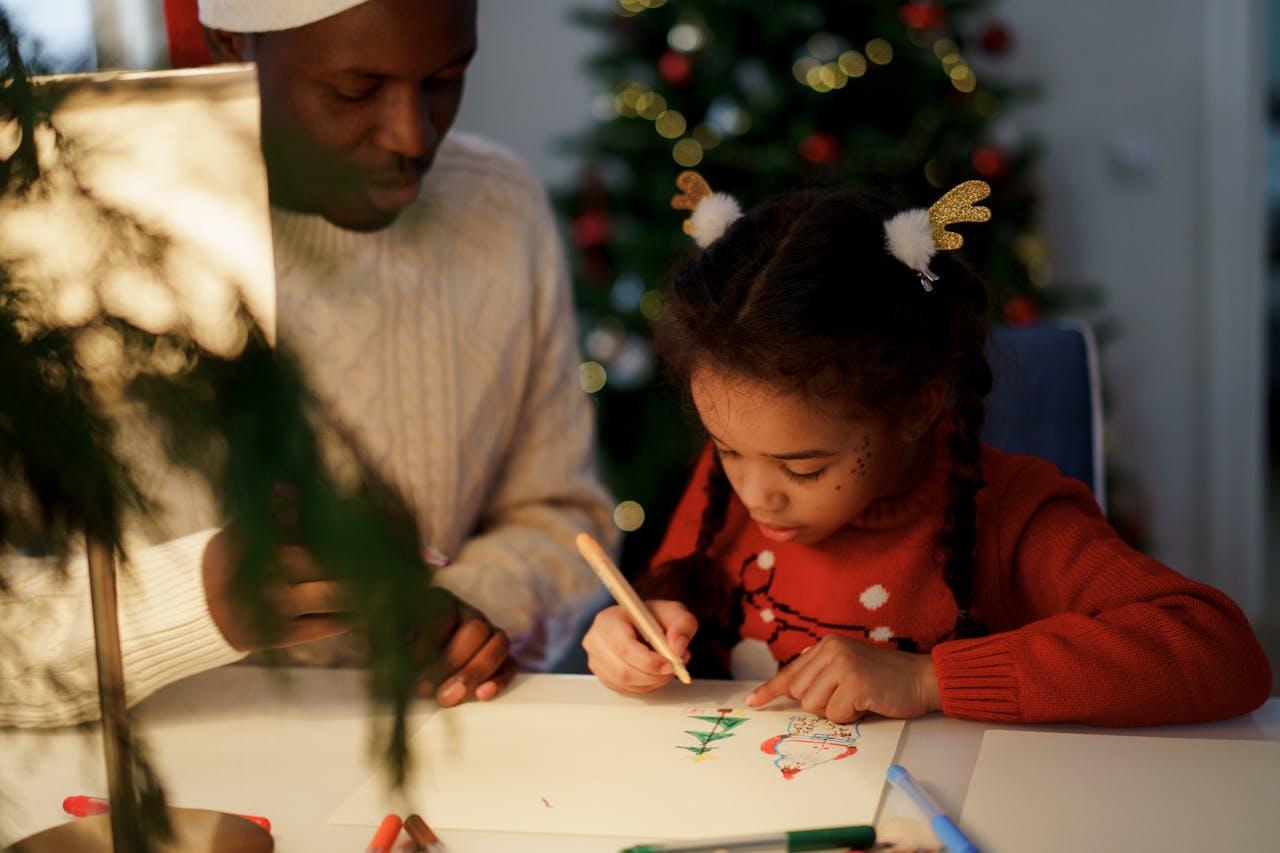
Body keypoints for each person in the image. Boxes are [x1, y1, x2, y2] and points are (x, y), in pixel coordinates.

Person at [0, 0, 615, 726]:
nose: (412, 136)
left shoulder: (497, 208)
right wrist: (191, 602)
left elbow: (560, 512)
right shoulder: (66, 227)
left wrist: (468, 614)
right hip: (154, 766)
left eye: (446, 79)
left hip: (435, 746)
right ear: (231, 41)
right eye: (354, 91)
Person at [582, 175, 1271, 727]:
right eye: (728, 450)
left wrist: (928, 679)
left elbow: (1221, 652)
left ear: (914, 406)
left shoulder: (1010, 513)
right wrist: (633, 632)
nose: (756, 493)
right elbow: (666, 602)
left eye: (804, 467)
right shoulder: (726, 484)